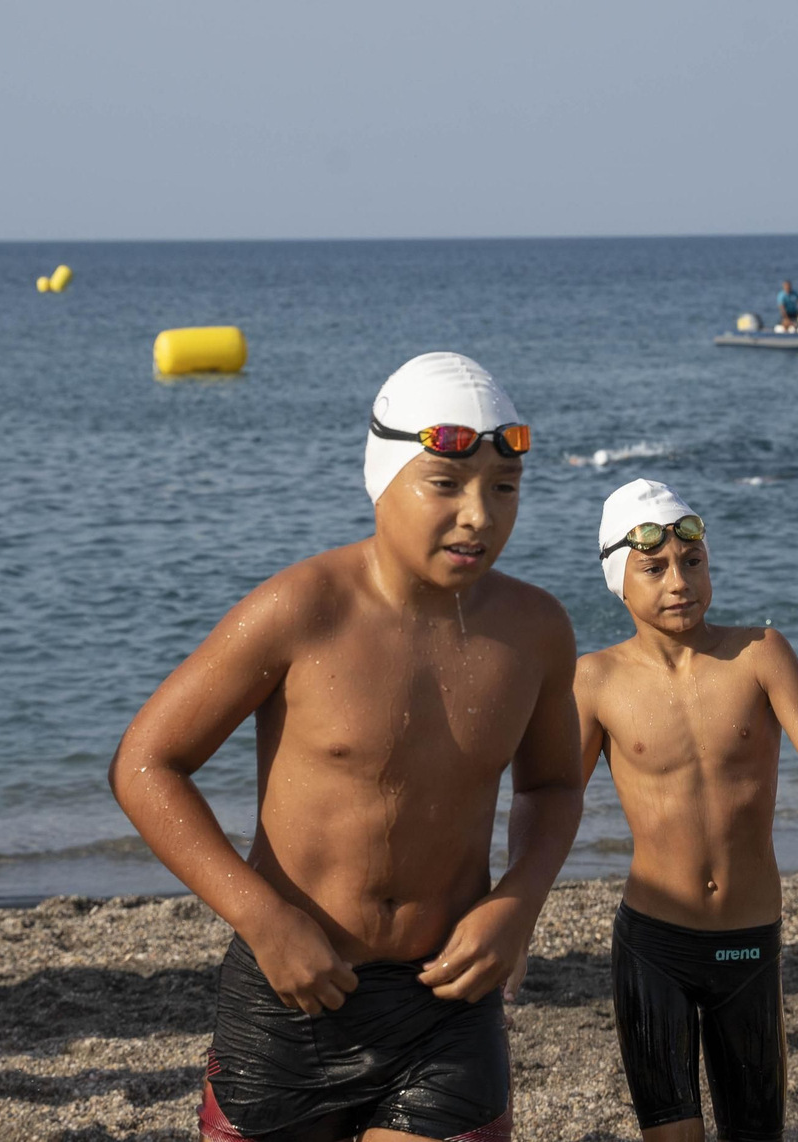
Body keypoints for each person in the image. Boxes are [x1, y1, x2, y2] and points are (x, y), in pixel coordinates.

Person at [109, 352, 585, 1141]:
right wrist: (263, 919)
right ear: (384, 480)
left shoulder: (536, 630)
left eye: (505, 488)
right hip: (294, 988)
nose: (480, 514)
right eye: (446, 483)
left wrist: (518, 903)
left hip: (447, 1003)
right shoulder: (301, 610)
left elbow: (553, 787)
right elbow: (147, 763)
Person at [576, 478, 798, 1142]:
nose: (679, 581)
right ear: (620, 579)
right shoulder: (595, 680)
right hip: (654, 945)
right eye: (655, 567)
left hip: (744, 947)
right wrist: (515, 914)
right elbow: (553, 804)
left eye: (692, 563)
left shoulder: (759, 654)